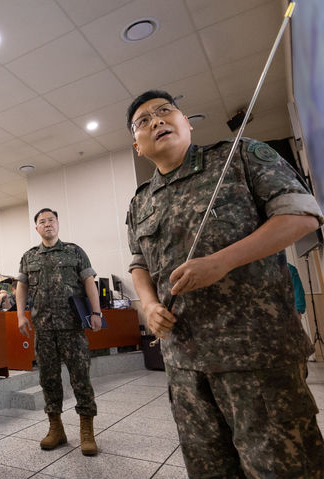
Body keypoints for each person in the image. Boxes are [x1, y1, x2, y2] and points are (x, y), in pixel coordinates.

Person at [125, 89, 324, 477]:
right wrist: (148, 305)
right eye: (143, 121)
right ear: (137, 145)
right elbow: (138, 264)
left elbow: (302, 216)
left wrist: (221, 262)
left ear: (187, 122)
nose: (157, 121)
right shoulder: (140, 202)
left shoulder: (240, 157)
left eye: (165, 112)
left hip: (256, 357)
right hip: (184, 365)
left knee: (282, 468)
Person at [16, 208, 102, 455]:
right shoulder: (29, 257)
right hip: (43, 329)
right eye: (41, 222)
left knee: (81, 378)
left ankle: (87, 431)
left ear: (58, 224)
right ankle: (57, 429)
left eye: (51, 220)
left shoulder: (74, 252)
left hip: (72, 328)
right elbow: (21, 288)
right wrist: (21, 314)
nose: (47, 224)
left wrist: (96, 313)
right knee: (48, 380)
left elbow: (89, 283)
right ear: (37, 228)